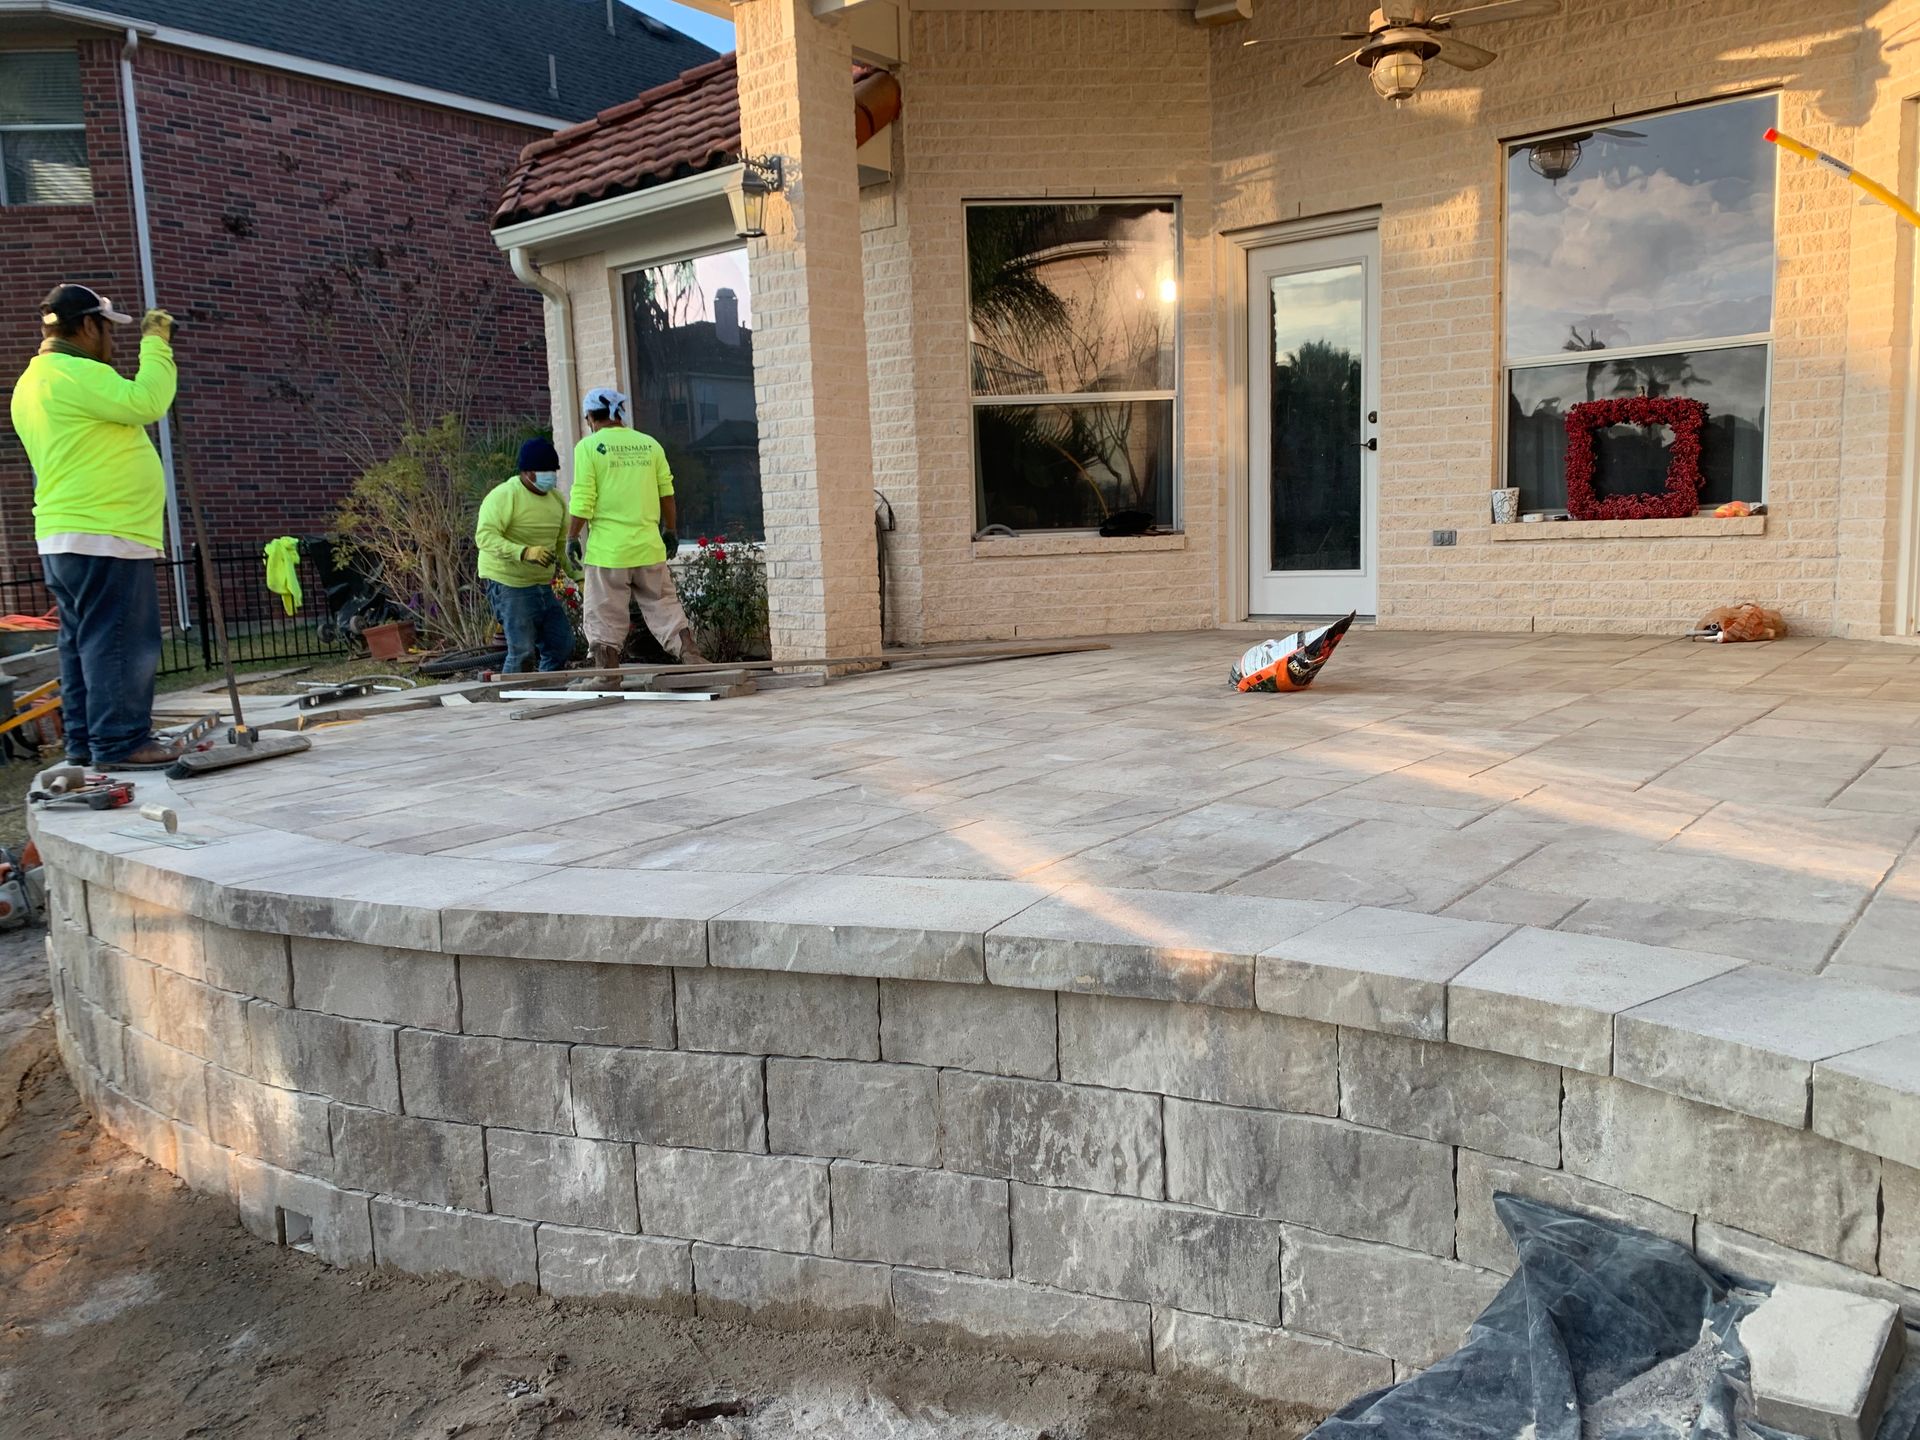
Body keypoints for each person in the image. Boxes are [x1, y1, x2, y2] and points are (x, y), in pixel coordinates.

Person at [9, 284, 180, 770]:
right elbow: (147, 400)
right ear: (87, 326)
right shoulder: (75, 373)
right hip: (105, 530)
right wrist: (157, 343)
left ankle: (85, 743)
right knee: (120, 639)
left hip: (66, 534)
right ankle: (122, 742)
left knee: (83, 642)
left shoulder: (32, 380)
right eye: (108, 329)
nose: (113, 340)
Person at [565, 386, 706, 669]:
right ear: (620, 414)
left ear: (591, 417)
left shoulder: (588, 447)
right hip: (648, 548)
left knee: (604, 612)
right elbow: (666, 492)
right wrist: (671, 530)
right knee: (663, 604)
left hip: (609, 553)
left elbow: (583, 500)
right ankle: (690, 653)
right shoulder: (649, 444)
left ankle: (605, 672)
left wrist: (571, 537)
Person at [475, 437, 574, 673]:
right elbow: (485, 537)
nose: (550, 475)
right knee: (522, 651)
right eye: (544, 471)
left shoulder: (557, 500)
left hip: (541, 584)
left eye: (553, 470)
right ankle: (513, 702)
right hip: (509, 583)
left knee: (561, 644)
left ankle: (545, 693)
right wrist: (524, 552)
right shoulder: (504, 496)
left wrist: (578, 576)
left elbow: (561, 545)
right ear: (527, 472)